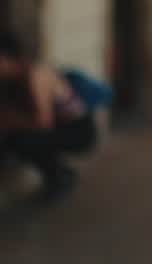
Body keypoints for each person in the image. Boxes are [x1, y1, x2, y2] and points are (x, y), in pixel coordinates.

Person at [0, 29, 107, 205]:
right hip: (58, 127)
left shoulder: (36, 76)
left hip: (77, 130)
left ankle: (58, 177)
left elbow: (43, 121)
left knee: (21, 140)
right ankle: (59, 174)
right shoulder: (12, 77)